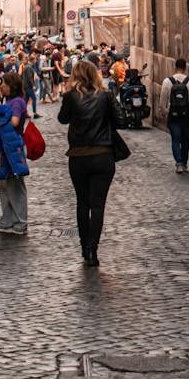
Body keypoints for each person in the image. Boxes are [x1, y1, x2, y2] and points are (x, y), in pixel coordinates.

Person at [58, 57, 122, 267]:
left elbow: (62, 119)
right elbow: (120, 120)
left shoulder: (70, 96)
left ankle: (84, 246)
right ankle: (93, 249)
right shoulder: (105, 95)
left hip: (78, 156)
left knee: (82, 202)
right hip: (103, 155)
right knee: (98, 205)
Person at [0, 72, 29, 236]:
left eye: (3, 83)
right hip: (5, 145)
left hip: (13, 147)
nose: (1, 86)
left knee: (15, 184)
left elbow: (14, 122)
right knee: (5, 184)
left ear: (10, 85)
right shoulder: (9, 101)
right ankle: (7, 220)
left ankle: (20, 221)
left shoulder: (17, 102)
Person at [160, 58, 189, 174]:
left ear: (175, 67)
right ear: (185, 68)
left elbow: (163, 100)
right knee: (185, 139)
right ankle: (185, 163)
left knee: (175, 139)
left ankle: (179, 163)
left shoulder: (167, 81)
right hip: (186, 115)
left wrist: (164, 111)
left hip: (173, 115)